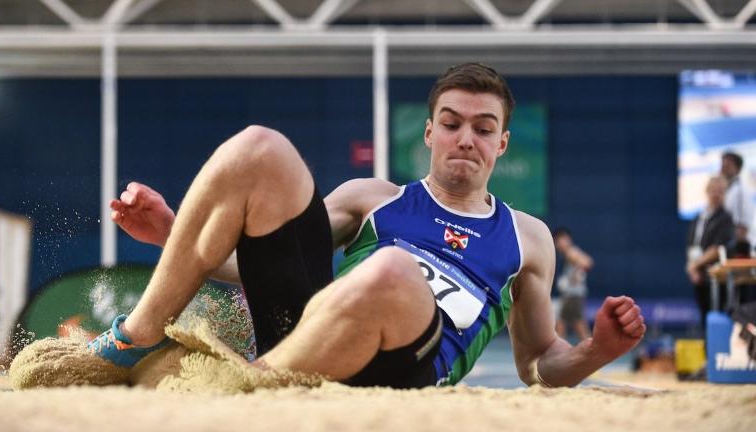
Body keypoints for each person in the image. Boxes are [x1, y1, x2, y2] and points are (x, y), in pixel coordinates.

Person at [87, 63, 646, 389]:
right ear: (429, 133)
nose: (465, 138)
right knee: (260, 146)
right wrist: (171, 232)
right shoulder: (372, 199)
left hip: (408, 372)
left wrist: (595, 350)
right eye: (451, 124)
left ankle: (245, 384)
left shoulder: (529, 238)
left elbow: (536, 362)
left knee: (393, 272)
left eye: (483, 128)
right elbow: (262, 264)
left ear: (502, 144)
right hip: (313, 338)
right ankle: (132, 337)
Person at [686, 176, 735, 326]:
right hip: (699, 276)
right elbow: (691, 245)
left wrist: (694, 265)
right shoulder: (698, 218)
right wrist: (693, 269)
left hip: (716, 278)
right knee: (703, 317)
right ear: (707, 191)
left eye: (720, 191)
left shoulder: (725, 218)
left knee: (715, 317)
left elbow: (717, 248)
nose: (716, 194)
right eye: (714, 190)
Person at [553, 228, 594, 341]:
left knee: (579, 326)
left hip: (574, 295)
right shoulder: (569, 253)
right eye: (556, 242)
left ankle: (592, 352)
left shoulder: (571, 252)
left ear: (567, 239)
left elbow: (587, 262)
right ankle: (560, 351)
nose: (558, 244)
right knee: (561, 323)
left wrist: (576, 275)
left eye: (560, 240)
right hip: (571, 295)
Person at [721, 151, 752, 248]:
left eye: (728, 165)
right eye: (723, 165)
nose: (723, 168)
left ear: (738, 169)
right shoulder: (725, 191)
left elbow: (743, 225)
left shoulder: (741, 191)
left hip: (739, 248)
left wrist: (735, 248)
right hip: (727, 243)